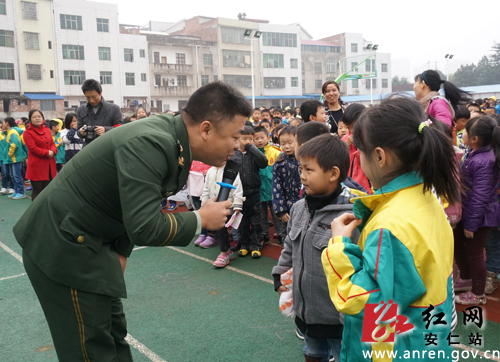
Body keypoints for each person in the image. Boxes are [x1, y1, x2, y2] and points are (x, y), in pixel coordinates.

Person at [13, 82, 250, 361]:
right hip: (63, 246)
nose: (237, 146)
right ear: (206, 129)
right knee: (91, 350)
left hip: (93, 242)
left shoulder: (170, 138)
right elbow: (145, 226)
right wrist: (200, 219)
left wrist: (122, 250)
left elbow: (125, 201)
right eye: (235, 136)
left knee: (113, 336)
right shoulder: (152, 142)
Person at [321, 96, 459, 361]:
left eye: (359, 151)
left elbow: (362, 301)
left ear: (380, 156)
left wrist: (338, 246)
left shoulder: (390, 226)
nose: (358, 159)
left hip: (394, 349)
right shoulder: (426, 195)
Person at [273, 134, 358, 362]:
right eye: (301, 169)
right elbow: (289, 246)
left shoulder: (350, 216)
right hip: (306, 313)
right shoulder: (299, 208)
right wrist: (279, 275)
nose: (302, 176)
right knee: (313, 354)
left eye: (309, 170)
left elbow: (358, 267)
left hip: (338, 319)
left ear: (333, 173)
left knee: (343, 355)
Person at [454, 115, 500, 305]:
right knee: (458, 246)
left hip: (480, 217)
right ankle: (466, 279)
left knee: (474, 253)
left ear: (475, 139)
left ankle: (478, 293)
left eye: (465, 131)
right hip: (469, 212)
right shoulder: (476, 153)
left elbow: (480, 197)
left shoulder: (485, 161)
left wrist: (471, 226)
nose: (461, 133)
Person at [230, 126, 268, 255]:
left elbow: (264, 163)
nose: (247, 141)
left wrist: (252, 149)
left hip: (254, 192)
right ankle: (244, 244)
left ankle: (256, 244)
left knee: (256, 220)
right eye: (244, 138)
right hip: (239, 194)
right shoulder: (233, 153)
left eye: (250, 139)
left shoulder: (253, 153)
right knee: (242, 221)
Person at [200, 164, 244, 267]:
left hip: (228, 205)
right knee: (221, 229)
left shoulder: (230, 171)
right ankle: (227, 251)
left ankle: (225, 253)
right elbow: (206, 188)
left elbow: (237, 187)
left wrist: (237, 204)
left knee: (222, 228)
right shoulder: (210, 171)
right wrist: (204, 205)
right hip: (214, 206)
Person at [253, 125, 284, 252]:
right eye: (256, 138)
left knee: (277, 215)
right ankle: (264, 235)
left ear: (268, 137)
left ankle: (281, 235)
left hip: (274, 191)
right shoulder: (253, 154)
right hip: (259, 191)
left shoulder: (276, 152)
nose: (259, 140)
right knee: (261, 215)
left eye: (262, 137)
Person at [272, 126, 300, 244]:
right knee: (287, 236)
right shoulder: (279, 163)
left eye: (290, 143)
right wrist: (281, 210)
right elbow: (276, 188)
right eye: (283, 143)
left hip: (302, 205)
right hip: (286, 206)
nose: (286, 146)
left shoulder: (304, 160)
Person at [22, 110, 57, 201]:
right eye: (34, 117)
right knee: (38, 190)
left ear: (42, 118)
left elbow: (52, 143)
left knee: (48, 190)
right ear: (30, 119)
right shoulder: (27, 132)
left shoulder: (46, 129)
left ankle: (46, 210)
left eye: (39, 116)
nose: (37, 118)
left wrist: (53, 151)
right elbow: (33, 148)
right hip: (37, 165)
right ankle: (35, 212)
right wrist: (47, 153)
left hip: (49, 164)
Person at [77, 79, 122, 147]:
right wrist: (81, 132)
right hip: (88, 148)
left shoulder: (114, 109)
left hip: (107, 148)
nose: (91, 100)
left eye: (94, 97)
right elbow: (78, 131)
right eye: (88, 97)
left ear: (100, 93)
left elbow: (120, 129)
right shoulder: (81, 109)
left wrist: (106, 130)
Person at [340, 103, 372, 193]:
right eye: (348, 127)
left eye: (353, 127)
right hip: (348, 186)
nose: (351, 131)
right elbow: (339, 157)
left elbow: (368, 160)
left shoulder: (369, 138)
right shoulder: (345, 139)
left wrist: (359, 145)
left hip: (366, 186)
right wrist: (346, 145)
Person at [2, 117, 26, 199]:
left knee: (16, 176)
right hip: (12, 158)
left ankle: (21, 192)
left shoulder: (13, 132)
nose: (3, 124)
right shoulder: (9, 132)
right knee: (13, 176)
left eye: (4, 122)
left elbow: (14, 144)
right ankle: (16, 191)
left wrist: (9, 154)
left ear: (7, 123)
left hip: (15, 158)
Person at [0, 119, 15, 195]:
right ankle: (4, 187)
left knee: (11, 174)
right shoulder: (1, 134)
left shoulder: (12, 133)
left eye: (3, 123)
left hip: (11, 157)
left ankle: (12, 188)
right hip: (3, 157)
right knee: (4, 173)